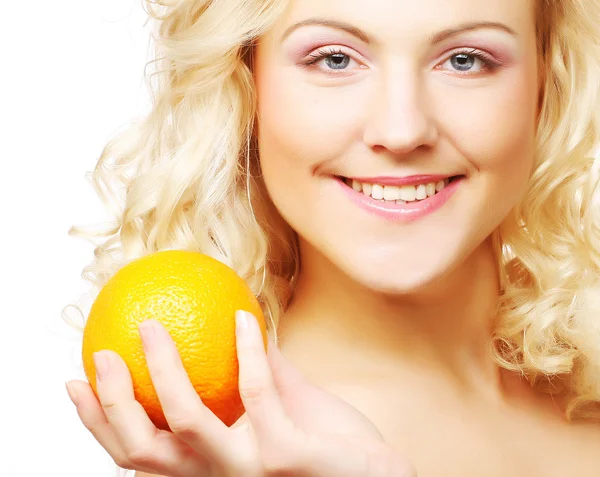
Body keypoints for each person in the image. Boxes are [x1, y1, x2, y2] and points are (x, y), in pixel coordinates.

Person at [64, 0, 600, 475]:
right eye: (334, 59)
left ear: (547, 84)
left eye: (465, 59)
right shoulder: (240, 455)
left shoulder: (586, 382)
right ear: (246, 86)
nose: (402, 130)